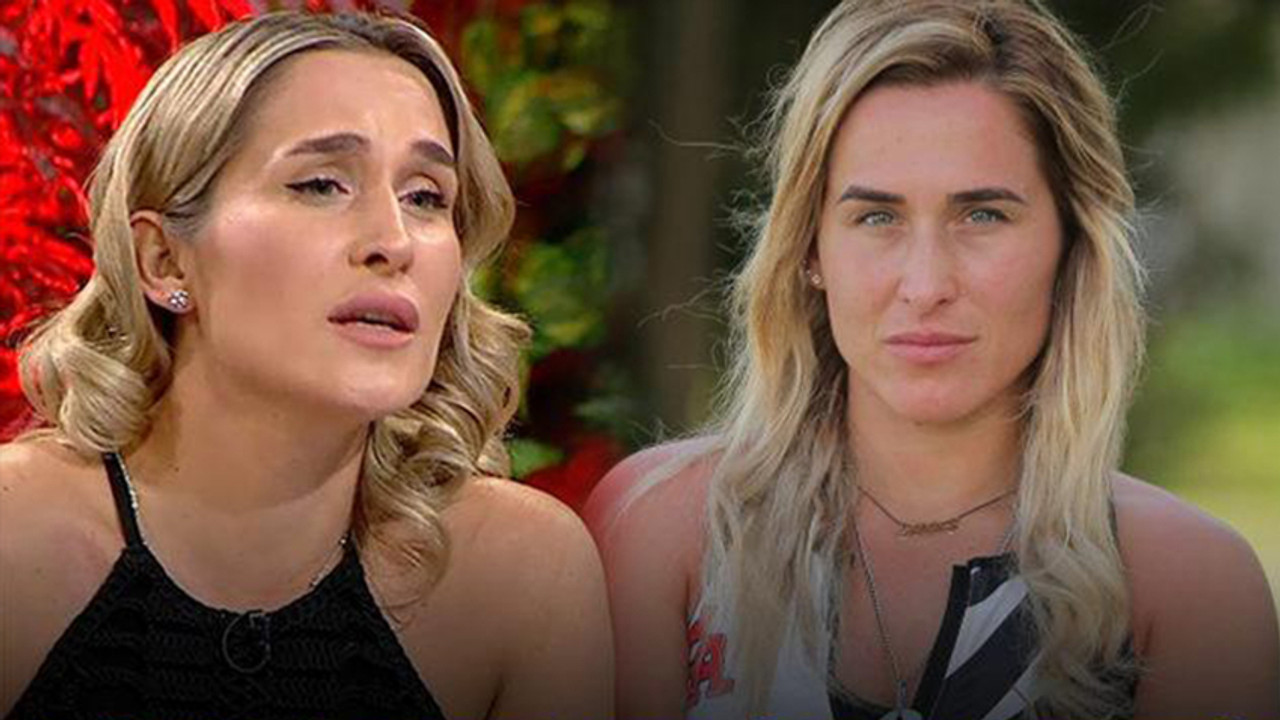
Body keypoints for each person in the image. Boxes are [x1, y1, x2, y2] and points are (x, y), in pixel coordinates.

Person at [585, 1, 1279, 719]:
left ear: (1071, 244)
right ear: (810, 248)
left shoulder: (1190, 588)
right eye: (876, 217)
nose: (926, 285)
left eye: (983, 215)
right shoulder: (662, 532)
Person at [0, 11, 611, 719]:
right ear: (163, 259)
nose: (394, 242)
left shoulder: (522, 573)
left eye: (425, 197)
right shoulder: (16, 535)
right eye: (321, 184)